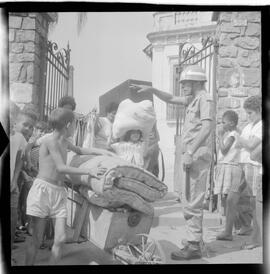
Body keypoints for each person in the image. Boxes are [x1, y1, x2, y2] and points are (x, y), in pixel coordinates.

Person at [132, 64, 214, 260]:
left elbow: (206, 128)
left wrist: (191, 151)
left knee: (193, 200)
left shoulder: (205, 99)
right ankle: (194, 239)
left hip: (196, 155)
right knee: (187, 198)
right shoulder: (193, 99)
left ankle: (194, 246)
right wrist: (152, 90)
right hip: (191, 155)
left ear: (195, 82)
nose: (182, 86)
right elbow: (169, 98)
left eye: (185, 83)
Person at [24, 108, 112, 265]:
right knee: (36, 240)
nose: (75, 128)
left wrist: (102, 152)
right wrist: (89, 171)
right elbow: (61, 167)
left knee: (61, 239)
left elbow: (80, 150)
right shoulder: (49, 141)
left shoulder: (65, 142)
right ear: (68, 124)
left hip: (58, 192)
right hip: (43, 191)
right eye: (74, 125)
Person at [215, 111, 246, 241]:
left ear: (231, 123)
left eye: (223, 122)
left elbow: (224, 150)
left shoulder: (232, 134)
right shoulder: (233, 133)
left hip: (231, 168)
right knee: (228, 201)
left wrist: (220, 136)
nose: (221, 125)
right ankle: (234, 227)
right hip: (227, 167)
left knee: (230, 201)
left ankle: (228, 232)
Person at [236, 96, 262, 238]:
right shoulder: (249, 126)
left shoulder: (261, 125)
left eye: (250, 113)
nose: (248, 116)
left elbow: (252, 145)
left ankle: (256, 233)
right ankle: (247, 226)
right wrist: (244, 142)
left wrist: (242, 141)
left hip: (253, 165)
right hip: (244, 163)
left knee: (254, 199)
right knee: (243, 198)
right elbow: (242, 143)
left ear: (258, 110)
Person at [10, 107, 36, 253]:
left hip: (12, 184)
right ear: (15, 122)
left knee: (13, 217)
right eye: (25, 124)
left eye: (31, 127)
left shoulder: (21, 139)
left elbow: (20, 160)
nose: (28, 129)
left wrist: (15, 180)